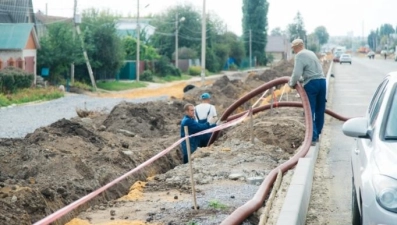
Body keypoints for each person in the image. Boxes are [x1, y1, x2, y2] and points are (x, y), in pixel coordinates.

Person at [288, 39, 326, 145]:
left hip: (312, 84)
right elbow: (311, 70)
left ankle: (312, 138)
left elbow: (296, 73)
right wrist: (301, 79)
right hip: (322, 82)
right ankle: (317, 133)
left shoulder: (299, 55)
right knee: (320, 110)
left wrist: (291, 83)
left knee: (309, 111)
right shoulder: (311, 53)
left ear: (296, 47)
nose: (294, 51)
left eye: (293, 49)